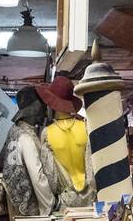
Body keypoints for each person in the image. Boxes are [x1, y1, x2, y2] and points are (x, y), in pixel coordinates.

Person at [36, 74, 96, 210]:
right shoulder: (85, 128)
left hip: (67, 199)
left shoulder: (47, 133)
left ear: (52, 104)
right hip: (91, 197)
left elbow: (50, 173)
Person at [0, 86, 58, 218]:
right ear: (36, 107)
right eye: (43, 105)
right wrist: (50, 204)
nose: (45, 111)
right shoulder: (26, 138)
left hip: (15, 202)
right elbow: (37, 176)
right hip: (29, 207)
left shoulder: (13, 132)